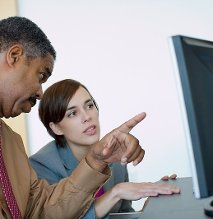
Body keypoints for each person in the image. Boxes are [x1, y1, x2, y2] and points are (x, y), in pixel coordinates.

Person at [0, 16, 149, 219]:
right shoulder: (42, 163)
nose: (41, 93)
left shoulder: (11, 142)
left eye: (89, 105)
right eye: (41, 75)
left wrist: (96, 161)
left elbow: (39, 211)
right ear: (14, 56)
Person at [29, 79, 180, 219]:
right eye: (73, 113)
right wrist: (115, 193)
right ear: (56, 127)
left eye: (89, 106)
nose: (87, 116)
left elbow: (120, 214)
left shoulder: (114, 154)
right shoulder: (41, 166)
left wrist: (148, 210)